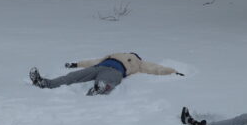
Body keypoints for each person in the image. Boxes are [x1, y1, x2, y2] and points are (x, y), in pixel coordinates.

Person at [29, 53, 184, 95]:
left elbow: (154, 68)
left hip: (115, 72)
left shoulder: (138, 62)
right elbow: (93, 61)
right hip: (98, 67)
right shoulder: (113, 54)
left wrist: (172, 72)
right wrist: (75, 64)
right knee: (71, 77)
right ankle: (43, 83)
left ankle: (100, 89)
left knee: (105, 81)